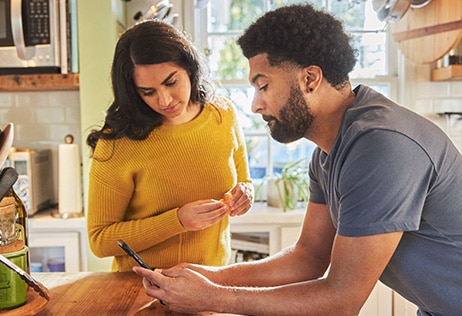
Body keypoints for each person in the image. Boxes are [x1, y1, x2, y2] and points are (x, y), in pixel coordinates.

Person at [132, 4, 462, 316]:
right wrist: (212, 276)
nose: (255, 105)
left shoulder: (381, 145)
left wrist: (209, 296)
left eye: (262, 86)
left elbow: (341, 300)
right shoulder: (327, 155)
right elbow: (308, 257)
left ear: (310, 79)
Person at [86, 19, 253, 272]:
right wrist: (177, 221)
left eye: (171, 82)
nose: (164, 100)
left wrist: (245, 194)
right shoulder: (118, 142)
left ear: (190, 68)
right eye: (147, 92)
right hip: (140, 288)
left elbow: (244, 182)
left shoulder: (223, 115)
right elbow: (100, 240)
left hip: (212, 284)